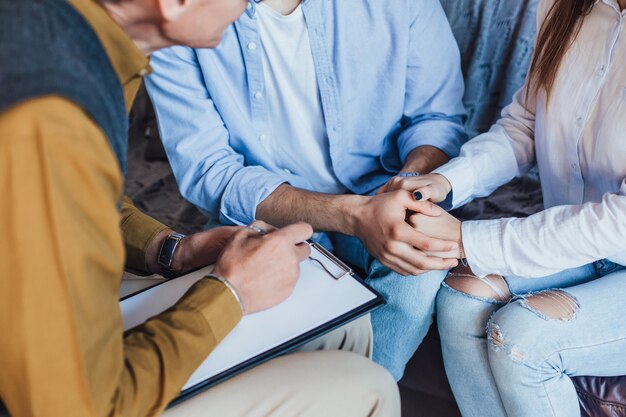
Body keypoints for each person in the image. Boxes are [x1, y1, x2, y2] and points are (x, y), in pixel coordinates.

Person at [0, 0, 400, 416]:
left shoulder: (72, 39)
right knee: (366, 389)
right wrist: (229, 293)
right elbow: (71, 406)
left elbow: (77, 202)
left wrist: (170, 249)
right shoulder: (47, 120)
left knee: (333, 316)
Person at [145, 0, 466, 380]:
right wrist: (350, 214)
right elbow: (210, 170)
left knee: (420, 272)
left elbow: (436, 119)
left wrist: (407, 191)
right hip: (268, 211)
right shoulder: (179, 14)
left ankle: (361, 395)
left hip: (384, 189)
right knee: (268, 322)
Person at [393, 0, 626, 415]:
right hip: (578, 247)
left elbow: (619, 224)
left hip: (613, 243)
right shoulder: (563, 7)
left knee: (523, 340)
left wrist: (466, 237)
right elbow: (525, 124)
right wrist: (448, 181)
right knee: (461, 299)